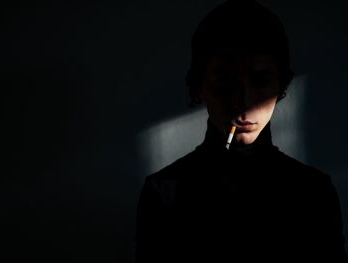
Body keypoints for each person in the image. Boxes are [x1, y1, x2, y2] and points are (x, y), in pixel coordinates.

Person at [135, 1, 348, 262]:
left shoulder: (314, 192)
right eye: (225, 82)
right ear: (200, 86)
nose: (242, 101)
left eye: (260, 80)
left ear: (280, 84)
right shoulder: (164, 192)